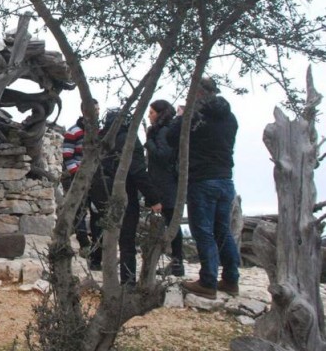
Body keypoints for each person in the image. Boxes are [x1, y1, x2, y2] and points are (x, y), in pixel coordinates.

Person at [168, 77, 240, 299]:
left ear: (198, 93)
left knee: (203, 231)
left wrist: (180, 117)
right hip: (226, 179)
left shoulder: (194, 115)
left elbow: (171, 138)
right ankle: (230, 279)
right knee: (223, 230)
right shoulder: (230, 118)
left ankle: (208, 282)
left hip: (202, 179)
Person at [89, 108, 162, 284]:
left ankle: (105, 274)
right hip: (125, 196)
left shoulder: (100, 139)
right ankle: (128, 282)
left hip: (101, 194)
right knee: (127, 240)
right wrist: (153, 198)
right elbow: (137, 172)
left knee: (105, 234)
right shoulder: (129, 140)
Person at [145, 100, 184, 277]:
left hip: (165, 184)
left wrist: (148, 142)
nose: (149, 116)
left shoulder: (163, 132)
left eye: (152, 112)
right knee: (169, 222)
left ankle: (177, 263)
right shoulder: (164, 131)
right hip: (164, 183)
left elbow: (163, 155)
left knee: (170, 223)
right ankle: (175, 263)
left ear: (160, 114)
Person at [61, 99, 99, 258]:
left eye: (98, 109)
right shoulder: (73, 131)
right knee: (79, 211)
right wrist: (78, 174)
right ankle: (83, 243)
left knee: (97, 211)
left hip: (96, 177)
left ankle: (98, 245)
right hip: (79, 177)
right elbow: (67, 156)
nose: (97, 112)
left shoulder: (99, 131)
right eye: (94, 109)